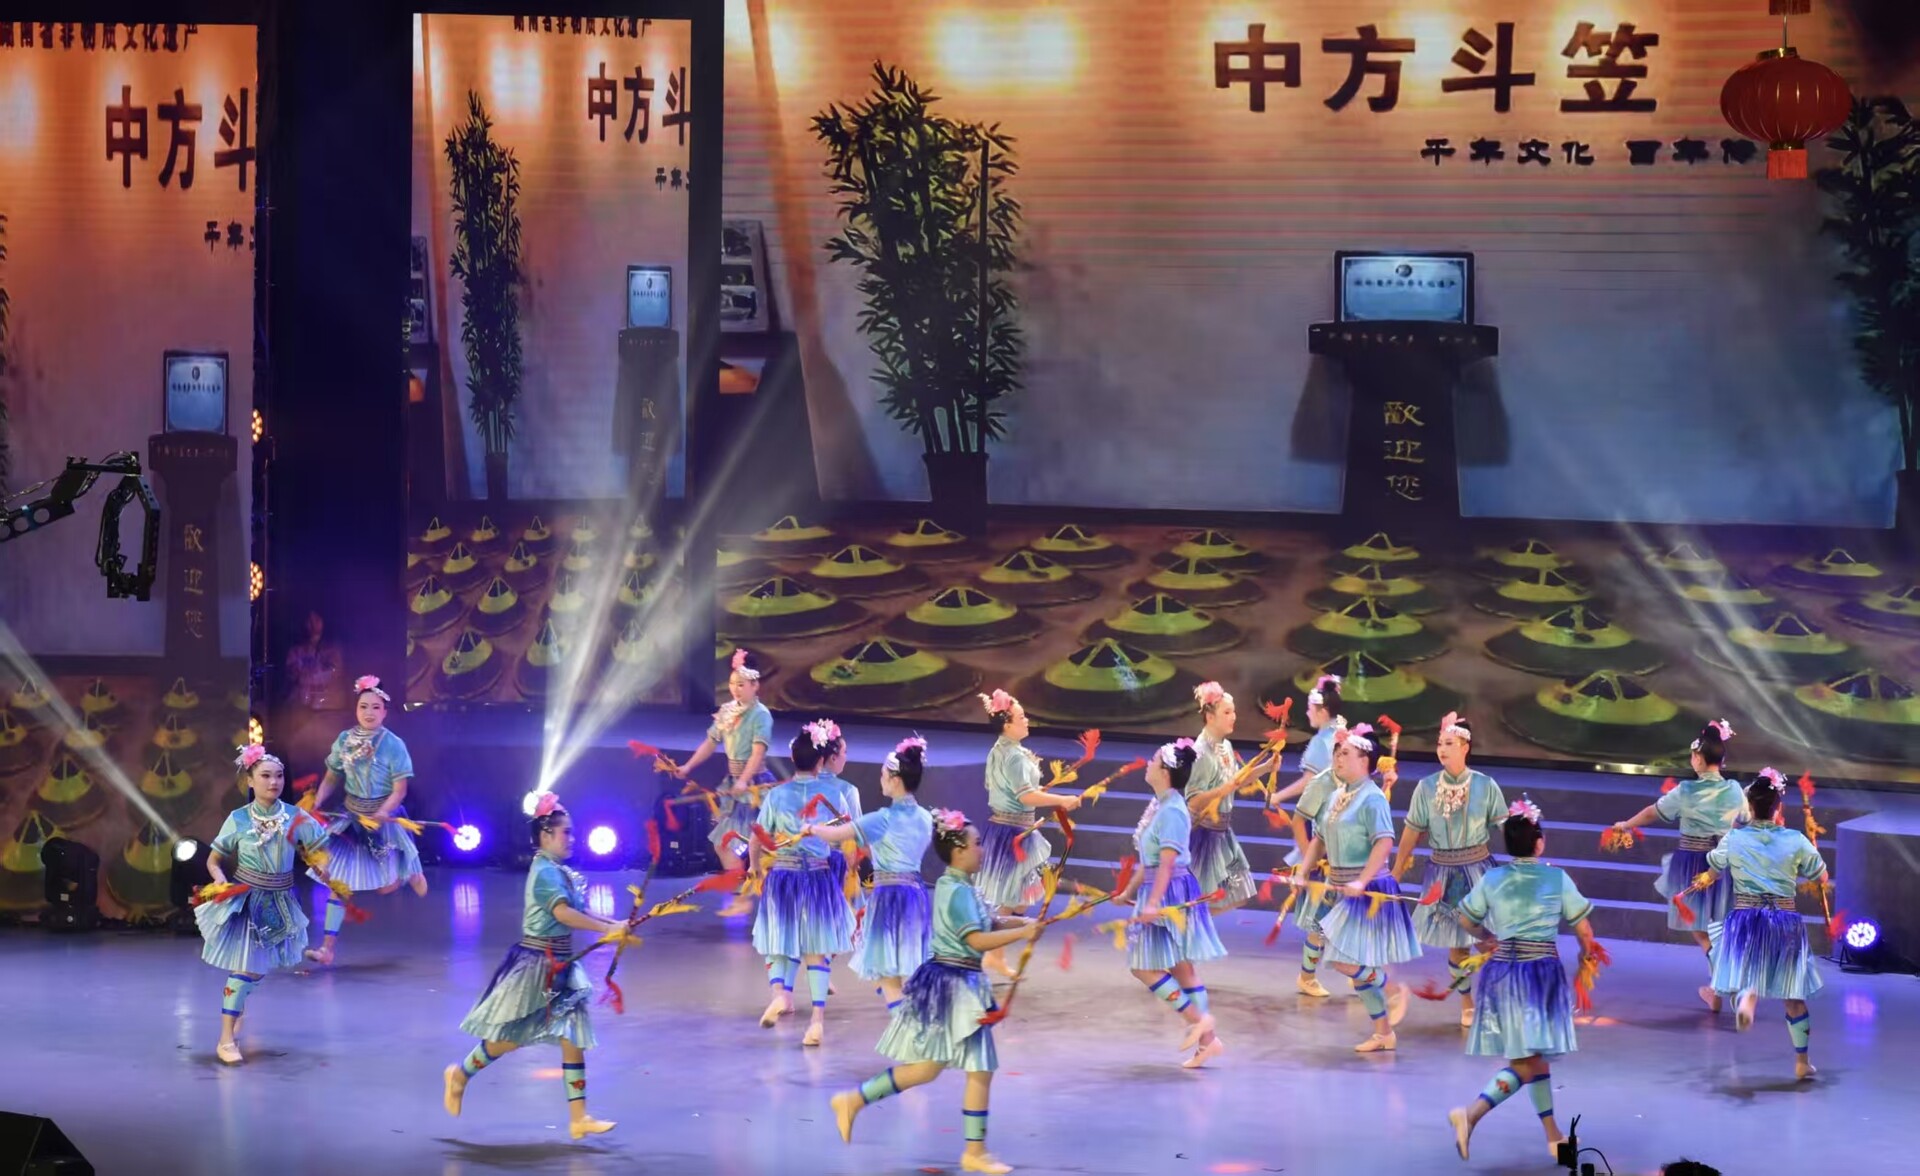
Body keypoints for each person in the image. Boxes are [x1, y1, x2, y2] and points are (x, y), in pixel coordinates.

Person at [828, 810, 1041, 1175]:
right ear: (959, 851)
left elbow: (989, 920)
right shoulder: (954, 891)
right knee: (967, 1067)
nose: (983, 850)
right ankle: (974, 1152)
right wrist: (1022, 934)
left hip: (962, 984)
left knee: (941, 1069)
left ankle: (854, 1101)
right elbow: (976, 940)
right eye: (977, 844)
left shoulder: (963, 886)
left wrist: (1024, 921)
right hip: (953, 988)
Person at [441, 792, 631, 1139]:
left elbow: (580, 910)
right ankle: (460, 1074)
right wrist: (606, 930)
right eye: (566, 832)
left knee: (572, 1035)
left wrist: (614, 924)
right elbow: (563, 913)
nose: (571, 838)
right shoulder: (544, 872)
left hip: (560, 964)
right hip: (538, 966)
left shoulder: (557, 870)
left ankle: (579, 1118)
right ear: (545, 835)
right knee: (510, 1038)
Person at [1446, 798, 1600, 1163]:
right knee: (1526, 1063)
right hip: (1538, 977)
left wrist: (1487, 937)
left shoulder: (1493, 878)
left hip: (1501, 974)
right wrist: (1587, 956)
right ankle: (1470, 1115)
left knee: (1535, 1058)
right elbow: (1584, 930)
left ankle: (1554, 1136)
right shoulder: (1555, 878)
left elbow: (1465, 918)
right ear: (1539, 843)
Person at [198, 744, 334, 1065]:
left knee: (257, 971)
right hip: (247, 901)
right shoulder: (239, 818)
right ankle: (226, 1039)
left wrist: (321, 866)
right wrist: (219, 879)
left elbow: (319, 850)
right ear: (250, 780)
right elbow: (213, 860)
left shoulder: (296, 816)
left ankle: (239, 1004)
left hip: (280, 902)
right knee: (244, 969)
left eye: (279, 776)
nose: (274, 782)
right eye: (265, 776)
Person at [1609, 719, 1747, 1010]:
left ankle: (1726, 979)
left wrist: (1626, 824)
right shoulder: (1735, 789)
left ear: (1699, 758)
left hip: (1693, 865)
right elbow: (1746, 819)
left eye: (1693, 755)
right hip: (1723, 864)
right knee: (1718, 926)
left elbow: (1653, 812)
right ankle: (1717, 989)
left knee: (1700, 929)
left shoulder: (1686, 791)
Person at [1296, 722, 1418, 1051]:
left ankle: (1392, 989)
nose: (1337, 757)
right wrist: (1304, 871)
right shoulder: (1336, 795)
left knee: (1343, 961)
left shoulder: (1372, 798)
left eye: (1345, 753)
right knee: (1353, 966)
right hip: (1340, 887)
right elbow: (1319, 838)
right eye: (1337, 752)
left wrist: (1362, 879)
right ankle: (1383, 1032)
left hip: (1368, 891)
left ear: (1364, 761)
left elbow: (1384, 842)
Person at [1703, 769, 1825, 1080]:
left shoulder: (1735, 838)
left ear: (1749, 806)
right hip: (1784, 921)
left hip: (1745, 918)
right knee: (1793, 997)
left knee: (1743, 973)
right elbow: (1821, 875)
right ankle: (1801, 1062)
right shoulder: (1795, 840)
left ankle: (1748, 994)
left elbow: (1713, 868)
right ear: (1778, 807)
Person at [1114, 739, 1228, 1068]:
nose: (1148, 764)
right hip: (1158, 888)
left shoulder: (1174, 811)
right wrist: (1128, 890)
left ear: (1165, 771)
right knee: (1181, 968)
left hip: (1171, 892)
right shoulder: (1160, 804)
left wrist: (1152, 904)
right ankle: (1208, 1042)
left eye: (1153, 761)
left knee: (1144, 966)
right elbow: (1148, 859)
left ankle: (1197, 1020)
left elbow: (1166, 864)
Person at [1393, 713, 1506, 1027]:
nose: (1442, 749)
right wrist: (1397, 871)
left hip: (1478, 871)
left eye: (1449, 743)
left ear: (1465, 746)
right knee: (1458, 942)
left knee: (1489, 939)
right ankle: (1467, 1003)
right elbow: (1412, 832)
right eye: (1439, 743)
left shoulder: (1485, 785)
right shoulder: (1427, 787)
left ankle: (1501, 997)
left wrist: (1526, 855)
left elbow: (1505, 826)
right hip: (1444, 873)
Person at [304, 676, 425, 966]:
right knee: (337, 885)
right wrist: (316, 803)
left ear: (385, 712)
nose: (369, 712)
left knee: (392, 886)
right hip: (352, 818)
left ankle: (406, 874)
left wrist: (383, 812)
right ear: (356, 709)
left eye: (376, 707)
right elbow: (332, 776)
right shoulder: (345, 740)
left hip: (385, 819)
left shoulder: (393, 744)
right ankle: (327, 949)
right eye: (363, 706)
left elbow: (400, 790)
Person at [809, 735, 934, 1011]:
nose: (881, 780)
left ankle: (903, 1021)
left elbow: (836, 834)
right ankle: (911, 1014)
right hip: (916, 896)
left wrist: (811, 828)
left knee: (886, 971)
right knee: (903, 963)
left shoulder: (883, 819)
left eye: (883, 775)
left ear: (895, 780)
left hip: (889, 897)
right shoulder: (926, 818)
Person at [753, 720, 856, 1044]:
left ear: (793, 758)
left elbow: (757, 837)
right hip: (816, 876)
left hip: (782, 875)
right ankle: (816, 1022)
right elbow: (847, 838)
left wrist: (756, 869)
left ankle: (780, 995)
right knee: (816, 950)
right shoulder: (835, 794)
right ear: (821, 761)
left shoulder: (776, 795)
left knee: (780, 941)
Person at [974, 690, 1081, 977]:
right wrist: (1061, 800)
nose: (1026, 721)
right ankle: (990, 951)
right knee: (1009, 900)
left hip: (1006, 827)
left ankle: (994, 953)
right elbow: (1025, 796)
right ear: (1007, 724)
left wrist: (1038, 792)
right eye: (1021, 717)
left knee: (1015, 898)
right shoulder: (1014, 757)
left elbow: (1009, 790)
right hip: (1013, 832)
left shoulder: (1000, 750)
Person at [673, 648, 775, 918]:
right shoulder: (727, 711)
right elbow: (710, 742)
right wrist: (688, 766)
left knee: (763, 846)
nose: (735, 689)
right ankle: (743, 896)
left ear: (755, 685)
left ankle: (764, 897)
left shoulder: (761, 715)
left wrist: (744, 781)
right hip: (734, 786)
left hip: (755, 787)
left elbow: (757, 754)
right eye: (732, 683)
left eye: (741, 684)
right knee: (723, 844)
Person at [1270, 674, 1345, 995]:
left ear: (1322, 710)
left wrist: (1278, 795)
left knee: (1342, 910)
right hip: (1330, 834)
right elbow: (1315, 786)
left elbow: (1309, 783)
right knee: (1328, 909)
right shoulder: (1341, 733)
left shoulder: (1325, 741)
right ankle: (1310, 975)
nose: (1307, 713)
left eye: (1310, 708)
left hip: (1340, 831)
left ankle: (1353, 972)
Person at [1181, 682, 1257, 912]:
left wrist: (1265, 768)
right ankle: (1194, 929)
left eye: (1233, 711)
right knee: (1205, 900)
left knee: (1236, 895)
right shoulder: (1201, 753)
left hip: (1221, 832)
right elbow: (1193, 800)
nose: (1233, 717)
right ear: (1210, 716)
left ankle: (1196, 927)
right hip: (1204, 835)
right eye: (1227, 712)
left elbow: (1236, 780)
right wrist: (1223, 789)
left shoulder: (1225, 746)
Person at [281, 609, 348, 771]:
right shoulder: (296, 651)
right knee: (301, 756)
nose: (312, 624)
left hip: (328, 712)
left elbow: (332, 673)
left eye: (316, 619)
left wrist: (310, 675)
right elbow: (292, 674)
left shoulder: (332, 650)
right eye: (308, 620)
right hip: (302, 711)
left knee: (327, 758)